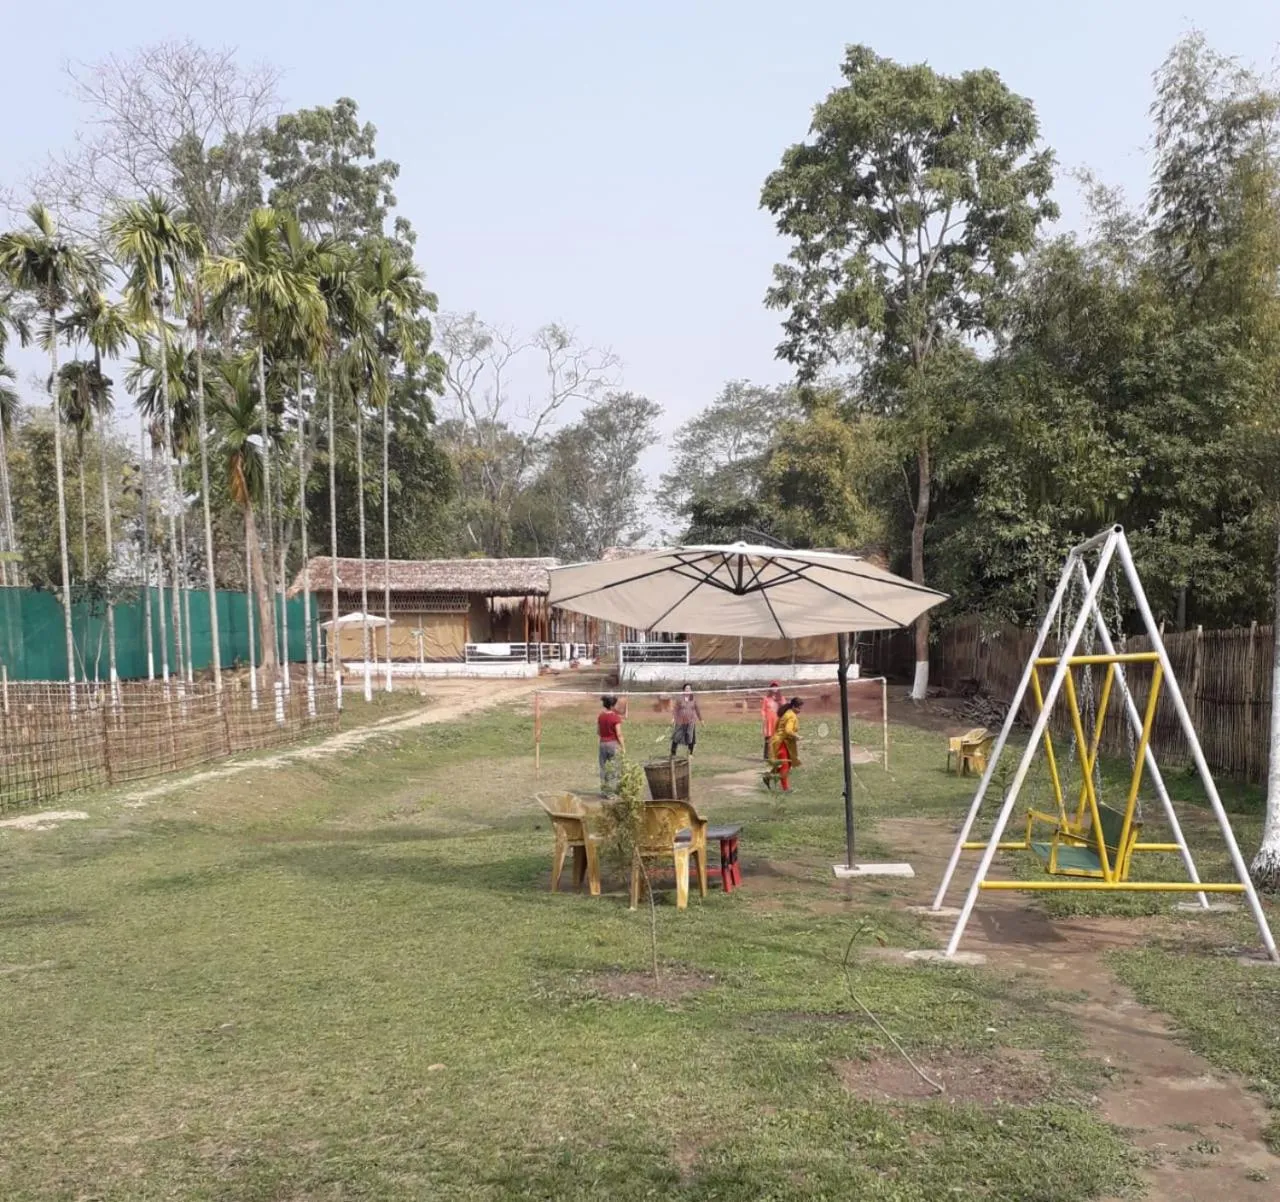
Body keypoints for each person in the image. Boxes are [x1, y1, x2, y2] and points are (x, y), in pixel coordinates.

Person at [764, 697, 804, 792]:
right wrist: (797, 736)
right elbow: (788, 730)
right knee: (785, 765)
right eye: (799, 708)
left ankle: (768, 777)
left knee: (787, 764)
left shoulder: (787, 713)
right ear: (794, 706)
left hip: (781, 741)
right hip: (781, 742)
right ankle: (786, 789)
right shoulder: (791, 716)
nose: (800, 710)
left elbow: (778, 727)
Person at [597, 695, 625, 794]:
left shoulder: (600, 716)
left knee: (603, 767)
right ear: (613, 705)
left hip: (602, 744)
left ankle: (605, 791)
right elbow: (619, 734)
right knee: (614, 768)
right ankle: (613, 791)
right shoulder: (615, 718)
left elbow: (599, 732)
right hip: (613, 745)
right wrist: (623, 747)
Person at [670, 682, 702, 758]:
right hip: (680, 721)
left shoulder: (693, 699)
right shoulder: (680, 699)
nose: (688, 690)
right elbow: (676, 709)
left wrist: (701, 719)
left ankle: (690, 754)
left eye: (689, 689)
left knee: (690, 737)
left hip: (691, 721)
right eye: (687, 688)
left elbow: (697, 709)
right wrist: (674, 718)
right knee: (676, 736)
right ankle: (673, 753)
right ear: (683, 690)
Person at [760, 681, 783, 761]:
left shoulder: (781, 698)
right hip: (768, 721)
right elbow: (763, 710)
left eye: (776, 686)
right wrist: (763, 718)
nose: (774, 688)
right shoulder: (766, 699)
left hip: (777, 721)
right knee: (768, 739)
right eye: (773, 686)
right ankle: (766, 757)